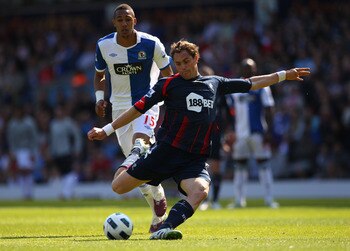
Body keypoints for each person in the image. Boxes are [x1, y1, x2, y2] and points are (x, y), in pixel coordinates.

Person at [87, 40, 310, 240]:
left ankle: (166, 228)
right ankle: (138, 152)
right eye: (178, 63)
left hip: (193, 158)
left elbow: (250, 83)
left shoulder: (214, 83)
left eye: (186, 61)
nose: (182, 67)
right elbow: (138, 109)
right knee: (118, 186)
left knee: (201, 190)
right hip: (166, 152)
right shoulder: (168, 84)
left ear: (196, 58)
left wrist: (283, 75)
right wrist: (106, 129)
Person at [93, 3, 173, 233]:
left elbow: (168, 74)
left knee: (140, 147)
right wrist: (100, 98)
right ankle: (157, 201)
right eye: (120, 20)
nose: (125, 24)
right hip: (119, 108)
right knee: (140, 167)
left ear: (135, 21)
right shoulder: (104, 45)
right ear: (114, 22)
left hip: (148, 103)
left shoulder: (151, 44)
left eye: (128, 19)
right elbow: (99, 75)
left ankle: (125, 169)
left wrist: (167, 99)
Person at [226, 58, 279, 208]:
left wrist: (269, 131)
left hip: (258, 132)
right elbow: (229, 112)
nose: (248, 70)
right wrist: (230, 131)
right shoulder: (235, 88)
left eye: (250, 68)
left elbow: (269, 109)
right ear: (241, 70)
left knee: (264, 165)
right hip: (239, 134)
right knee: (240, 166)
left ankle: (269, 199)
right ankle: (239, 200)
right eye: (245, 67)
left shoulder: (262, 87)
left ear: (255, 70)